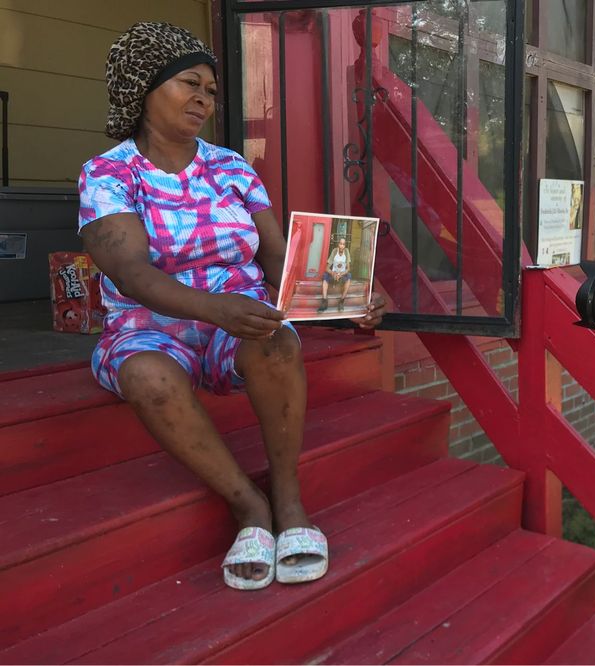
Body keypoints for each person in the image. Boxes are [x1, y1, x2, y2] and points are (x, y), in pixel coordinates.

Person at [78, 22, 386, 591]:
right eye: (188, 84)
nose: (203, 98)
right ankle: (249, 506)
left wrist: (345, 299)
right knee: (146, 376)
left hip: (237, 317)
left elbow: (276, 258)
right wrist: (213, 308)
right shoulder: (108, 174)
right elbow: (131, 272)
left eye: (212, 91)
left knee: (278, 341)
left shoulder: (232, 168)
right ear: (143, 91)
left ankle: (288, 501)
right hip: (150, 326)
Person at [319, 237, 351, 312]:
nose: (342, 246)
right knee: (325, 275)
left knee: (349, 276)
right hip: (333, 275)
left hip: (342, 276)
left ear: (345, 246)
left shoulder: (346, 252)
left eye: (343, 244)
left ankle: (341, 301)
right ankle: (324, 301)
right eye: (340, 244)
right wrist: (333, 273)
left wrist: (341, 274)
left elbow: (348, 269)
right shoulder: (334, 251)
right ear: (338, 244)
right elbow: (327, 268)